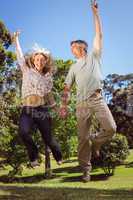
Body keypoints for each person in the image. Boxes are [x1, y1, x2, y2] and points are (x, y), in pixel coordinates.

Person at [59, 1, 117, 182]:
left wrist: (95, 14)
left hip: (97, 99)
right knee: (82, 138)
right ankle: (86, 171)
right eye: (71, 49)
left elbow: (99, 34)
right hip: (81, 103)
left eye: (73, 47)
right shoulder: (73, 68)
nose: (72, 50)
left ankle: (96, 141)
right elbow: (67, 87)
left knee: (111, 128)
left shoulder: (94, 55)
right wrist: (63, 105)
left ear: (82, 47)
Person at [12, 31, 62, 168]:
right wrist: (16, 40)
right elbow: (19, 56)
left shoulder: (47, 77)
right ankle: (33, 156)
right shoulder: (26, 70)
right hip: (27, 109)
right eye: (37, 59)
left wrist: (55, 107)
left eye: (42, 60)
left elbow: (48, 94)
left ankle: (58, 155)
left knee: (48, 138)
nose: (39, 61)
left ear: (45, 61)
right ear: (33, 60)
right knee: (23, 132)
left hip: (41, 110)